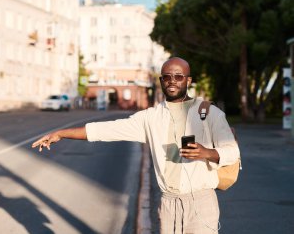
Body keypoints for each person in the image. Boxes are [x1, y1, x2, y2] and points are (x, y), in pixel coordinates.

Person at [32, 57, 240, 234]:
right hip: (168, 203)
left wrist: (206, 152)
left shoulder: (209, 113)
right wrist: (61, 134)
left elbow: (232, 152)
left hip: (201, 201)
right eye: (167, 76)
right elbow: (105, 130)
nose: (172, 81)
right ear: (161, 80)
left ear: (188, 80)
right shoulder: (151, 118)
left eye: (178, 76)